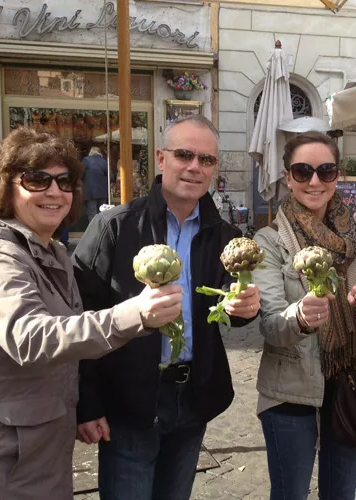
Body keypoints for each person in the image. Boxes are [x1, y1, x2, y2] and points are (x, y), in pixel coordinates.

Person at [0, 128, 185, 499]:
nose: (54, 192)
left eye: (65, 181)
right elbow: (32, 337)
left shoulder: (52, 252)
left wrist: (82, 407)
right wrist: (133, 314)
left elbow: (70, 345)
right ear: (6, 186)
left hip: (42, 447)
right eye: (37, 180)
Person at [72, 114, 262, 500]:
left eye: (206, 160)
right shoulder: (116, 227)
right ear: (161, 159)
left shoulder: (223, 235)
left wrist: (246, 307)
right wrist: (87, 404)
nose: (195, 167)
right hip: (129, 400)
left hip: (192, 396)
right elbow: (80, 316)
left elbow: (228, 306)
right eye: (184, 154)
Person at [252, 132, 356, 499]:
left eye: (325, 171)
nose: (314, 181)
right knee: (290, 494)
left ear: (337, 175)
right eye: (302, 171)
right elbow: (271, 326)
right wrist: (299, 317)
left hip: (352, 380)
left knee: (341, 493)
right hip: (291, 389)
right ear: (287, 177)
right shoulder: (270, 241)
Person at [83, 146, 110, 222]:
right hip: (103, 191)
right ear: (99, 153)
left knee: (92, 212)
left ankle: (94, 231)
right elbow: (111, 176)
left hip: (90, 192)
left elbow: (80, 174)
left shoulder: (86, 160)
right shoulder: (104, 161)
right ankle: (103, 230)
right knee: (102, 212)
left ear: (90, 153)